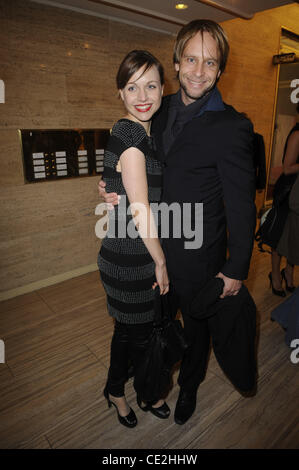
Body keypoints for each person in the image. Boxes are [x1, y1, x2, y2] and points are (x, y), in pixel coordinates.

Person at [99, 20, 256, 425]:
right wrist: (111, 187)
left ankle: (188, 388)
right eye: (190, 59)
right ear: (176, 61)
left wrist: (236, 268)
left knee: (198, 334)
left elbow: (242, 206)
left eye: (209, 62)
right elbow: (133, 162)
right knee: (154, 330)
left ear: (220, 70)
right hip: (150, 254)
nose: (198, 70)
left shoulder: (233, 126)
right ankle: (151, 385)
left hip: (199, 259)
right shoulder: (157, 105)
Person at [98, 50, 171, 429]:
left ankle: (141, 390)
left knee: (132, 332)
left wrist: (108, 186)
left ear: (163, 89)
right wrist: (160, 261)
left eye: (151, 85)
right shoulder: (130, 135)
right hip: (130, 257)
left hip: (129, 250)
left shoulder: (140, 132)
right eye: (132, 87)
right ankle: (120, 391)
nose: (143, 95)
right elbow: (141, 211)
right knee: (134, 333)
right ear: (120, 93)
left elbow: (124, 191)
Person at [270, 103, 299, 295]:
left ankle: (288, 273)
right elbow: (287, 168)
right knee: (279, 237)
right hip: (287, 193)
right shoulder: (298, 134)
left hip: (297, 194)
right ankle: (275, 276)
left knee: (295, 238)